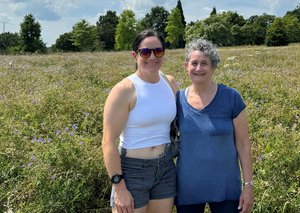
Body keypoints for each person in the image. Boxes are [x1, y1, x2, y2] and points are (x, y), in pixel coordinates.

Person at [101, 29, 179, 213]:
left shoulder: (170, 83)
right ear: (135, 55)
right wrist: (119, 186)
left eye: (158, 51)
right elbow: (108, 142)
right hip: (132, 170)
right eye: (146, 52)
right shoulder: (124, 89)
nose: (152, 57)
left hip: (166, 167)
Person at [175, 39, 254, 213]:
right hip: (188, 189)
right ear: (186, 66)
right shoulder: (177, 100)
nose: (198, 68)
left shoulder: (231, 98)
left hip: (226, 189)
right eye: (194, 63)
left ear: (213, 67)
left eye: (205, 63)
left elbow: (243, 144)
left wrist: (248, 186)